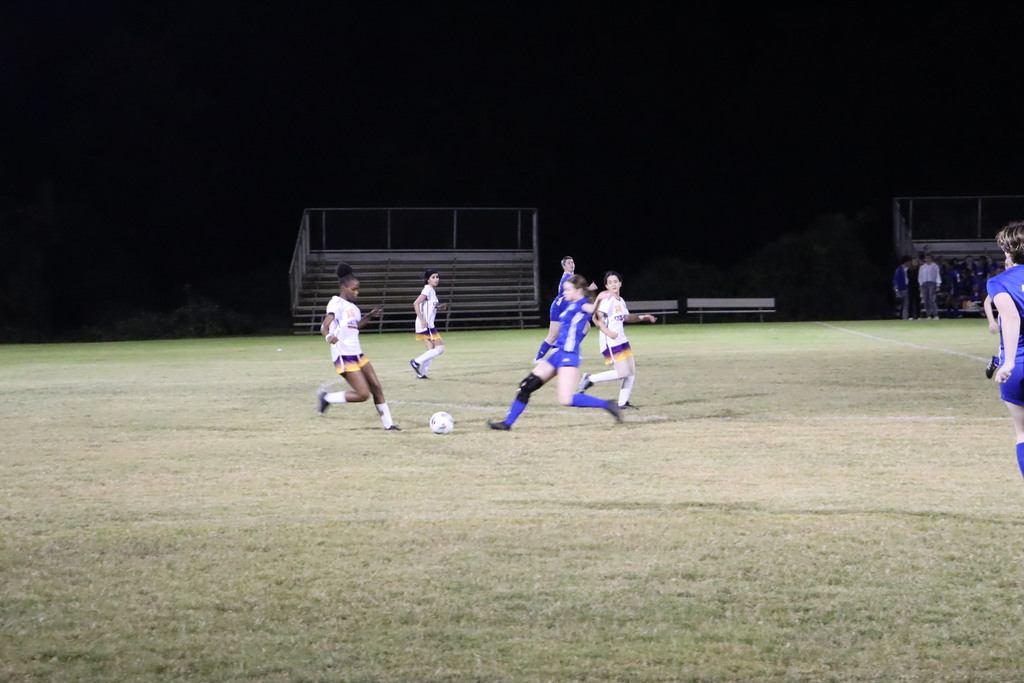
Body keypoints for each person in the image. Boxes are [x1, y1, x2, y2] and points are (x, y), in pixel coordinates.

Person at [489, 274, 622, 430]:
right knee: (526, 385)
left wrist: (599, 297)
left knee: (565, 399)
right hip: (557, 354)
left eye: (568, 289)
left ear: (578, 291)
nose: (564, 292)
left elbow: (592, 309)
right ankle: (507, 424)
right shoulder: (570, 304)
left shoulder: (583, 304)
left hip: (569, 355)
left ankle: (607, 404)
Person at [317, 262, 400, 430]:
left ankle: (389, 425)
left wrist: (369, 316)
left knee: (376, 387)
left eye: (358, 289)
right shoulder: (336, 303)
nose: (357, 292)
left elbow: (355, 326)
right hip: (343, 355)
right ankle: (327, 398)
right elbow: (325, 325)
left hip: (358, 353)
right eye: (353, 289)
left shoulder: (354, 308)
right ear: (343, 288)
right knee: (363, 394)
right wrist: (328, 336)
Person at [577, 270, 658, 409]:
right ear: (606, 286)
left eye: (615, 281)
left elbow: (626, 317)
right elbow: (596, 318)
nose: (613, 284)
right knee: (623, 372)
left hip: (622, 339)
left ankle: (623, 402)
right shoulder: (607, 300)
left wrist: (643, 317)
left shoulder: (620, 300)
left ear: (620, 283)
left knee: (631, 371)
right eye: (610, 282)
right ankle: (590, 379)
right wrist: (609, 333)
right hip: (611, 341)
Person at [987, 221, 1024, 480]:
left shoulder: (999, 282)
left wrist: (1008, 362)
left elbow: (1010, 318)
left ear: (1008, 251)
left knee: (1023, 432)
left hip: (1019, 366)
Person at [533, 256, 579, 362]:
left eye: (572, 262)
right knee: (553, 336)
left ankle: (566, 350)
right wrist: (589, 289)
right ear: (563, 266)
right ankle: (538, 358)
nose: (572, 264)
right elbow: (576, 293)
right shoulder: (567, 278)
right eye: (568, 263)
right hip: (558, 309)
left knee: (584, 327)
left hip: (565, 309)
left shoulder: (571, 277)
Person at [409, 269, 447, 379]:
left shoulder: (431, 291)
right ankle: (416, 362)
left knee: (431, 349)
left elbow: (428, 306)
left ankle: (421, 374)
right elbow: (416, 303)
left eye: (437, 277)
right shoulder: (428, 289)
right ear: (428, 279)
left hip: (425, 324)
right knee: (440, 348)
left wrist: (438, 307)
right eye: (433, 277)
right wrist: (422, 320)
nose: (436, 279)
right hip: (426, 325)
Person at [918, 253, 941, 319]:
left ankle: (935, 314)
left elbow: (937, 275)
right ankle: (929, 314)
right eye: (926, 258)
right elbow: (920, 276)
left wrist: (938, 284)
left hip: (932, 283)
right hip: (924, 284)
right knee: (926, 300)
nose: (927, 259)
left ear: (931, 259)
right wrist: (920, 284)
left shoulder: (935, 266)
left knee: (932, 299)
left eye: (928, 258)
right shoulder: (922, 267)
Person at [892, 255, 911, 319]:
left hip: (907, 288)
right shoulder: (899, 269)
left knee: (906, 305)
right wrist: (896, 290)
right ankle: (897, 316)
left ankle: (905, 317)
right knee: (899, 304)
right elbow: (895, 279)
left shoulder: (909, 269)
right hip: (901, 289)